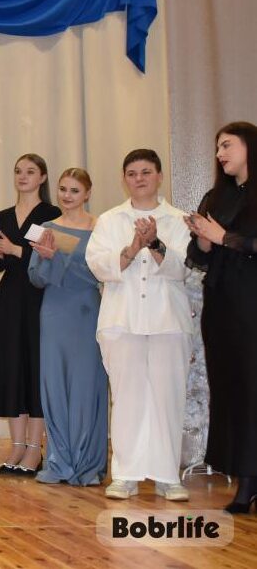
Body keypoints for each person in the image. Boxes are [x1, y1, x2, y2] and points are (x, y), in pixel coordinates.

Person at [86, 149, 192, 501]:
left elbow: (185, 268)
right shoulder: (109, 220)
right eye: (132, 173)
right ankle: (126, 474)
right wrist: (134, 246)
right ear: (124, 179)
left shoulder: (178, 220)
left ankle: (167, 476)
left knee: (167, 397)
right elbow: (99, 266)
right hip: (121, 320)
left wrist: (156, 243)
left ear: (159, 176)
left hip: (168, 320)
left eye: (146, 172)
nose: (139, 179)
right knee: (127, 397)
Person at [185, 121, 257, 513]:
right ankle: (243, 476)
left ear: (249, 145)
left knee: (252, 391)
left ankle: (249, 485)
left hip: (252, 306)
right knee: (231, 392)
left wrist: (224, 237)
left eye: (227, 145)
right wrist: (202, 240)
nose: (220, 154)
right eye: (217, 148)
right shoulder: (215, 197)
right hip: (222, 308)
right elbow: (196, 258)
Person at [0, 153, 60, 475]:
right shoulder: (3, 215)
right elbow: (1, 265)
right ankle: (17, 445)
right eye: (18, 171)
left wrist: (14, 250)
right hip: (9, 299)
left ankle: (35, 448)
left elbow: (50, 259)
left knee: (35, 369)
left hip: (39, 297)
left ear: (42, 177)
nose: (23, 176)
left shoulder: (51, 214)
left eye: (30, 171)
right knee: (12, 369)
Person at [27, 168, 106, 486]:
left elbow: (99, 273)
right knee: (55, 383)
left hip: (86, 311)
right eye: (62, 189)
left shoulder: (101, 227)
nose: (67, 196)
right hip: (54, 312)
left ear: (87, 193)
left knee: (86, 384)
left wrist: (58, 258)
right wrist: (47, 259)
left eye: (74, 190)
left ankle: (88, 464)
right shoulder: (44, 228)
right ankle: (60, 460)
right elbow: (35, 277)